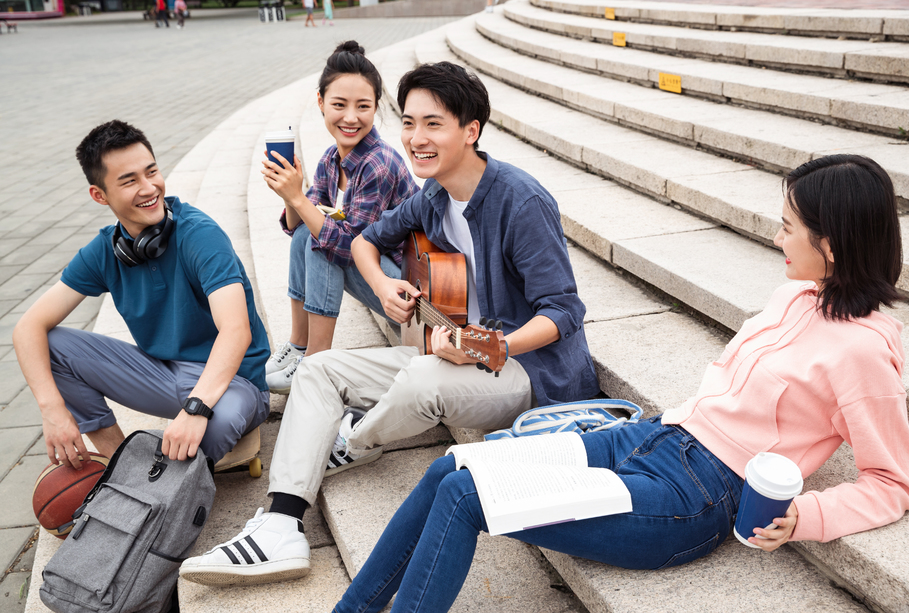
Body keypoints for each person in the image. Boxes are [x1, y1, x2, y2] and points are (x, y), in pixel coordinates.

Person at [328, 154, 909, 613]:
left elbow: (894, 482)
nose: (775, 238)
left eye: (788, 228)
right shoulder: (795, 294)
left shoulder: (863, 353)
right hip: (653, 438)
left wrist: (807, 515)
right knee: (451, 469)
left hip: (696, 498)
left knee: (467, 497)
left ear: (833, 247)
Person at [178, 61, 599, 586]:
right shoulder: (435, 195)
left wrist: (486, 347)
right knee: (319, 370)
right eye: (410, 123)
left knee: (420, 378)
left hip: (528, 370)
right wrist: (383, 287)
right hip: (450, 350)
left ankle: (353, 439)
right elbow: (361, 240)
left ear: (471, 132)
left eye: (434, 124)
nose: (416, 139)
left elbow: (564, 311)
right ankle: (281, 525)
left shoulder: (520, 199)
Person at [12, 120, 271, 469]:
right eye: (129, 180)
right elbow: (27, 328)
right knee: (52, 345)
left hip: (235, 383)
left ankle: (161, 481)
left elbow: (236, 329)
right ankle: (125, 465)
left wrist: (196, 408)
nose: (149, 188)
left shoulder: (201, 235)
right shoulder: (104, 251)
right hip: (162, 375)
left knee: (219, 421)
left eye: (152, 172)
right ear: (99, 195)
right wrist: (52, 410)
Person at [262, 41, 417, 393]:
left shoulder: (378, 163)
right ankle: (298, 345)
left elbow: (348, 246)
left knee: (324, 244)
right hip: (377, 275)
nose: (351, 117)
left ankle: (315, 361)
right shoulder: (332, 159)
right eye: (339, 104)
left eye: (363, 106)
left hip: (404, 287)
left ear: (376, 107)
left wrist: (298, 198)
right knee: (309, 234)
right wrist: (291, 195)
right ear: (320, 103)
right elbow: (296, 227)